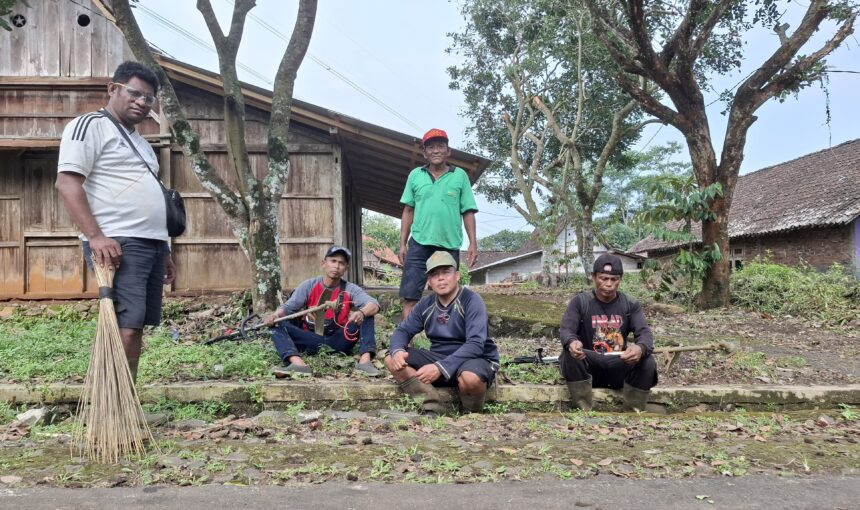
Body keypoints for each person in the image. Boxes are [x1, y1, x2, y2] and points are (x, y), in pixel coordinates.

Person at [56, 61, 175, 383]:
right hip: (117, 242)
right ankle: (112, 402)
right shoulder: (89, 126)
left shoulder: (138, 140)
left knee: (136, 324)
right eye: (135, 93)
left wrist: (164, 250)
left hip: (149, 242)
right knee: (125, 321)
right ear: (113, 88)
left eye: (149, 98)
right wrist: (95, 237)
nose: (141, 102)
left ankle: (125, 398)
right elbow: (67, 183)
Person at [385, 251, 499, 413]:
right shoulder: (426, 304)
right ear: (429, 282)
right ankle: (432, 406)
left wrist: (440, 367)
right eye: (434, 274)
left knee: (470, 378)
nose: (440, 278)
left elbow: (475, 345)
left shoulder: (472, 300)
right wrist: (398, 350)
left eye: (446, 272)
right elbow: (403, 330)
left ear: (457, 275)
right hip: (440, 359)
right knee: (392, 360)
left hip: (474, 359)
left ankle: (472, 413)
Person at [558, 253, 658, 412]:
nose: (609, 284)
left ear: (620, 279)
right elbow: (566, 330)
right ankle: (582, 409)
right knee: (568, 354)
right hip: (588, 366)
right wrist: (572, 342)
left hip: (619, 365)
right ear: (593, 277)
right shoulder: (580, 302)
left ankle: (634, 410)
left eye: (614, 279)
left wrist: (640, 348)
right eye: (603, 278)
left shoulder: (630, 304)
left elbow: (644, 333)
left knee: (648, 361)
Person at [264, 246, 382, 377]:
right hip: (311, 339)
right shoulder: (309, 285)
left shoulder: (350, 289)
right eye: (333, 261)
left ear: (345, 269)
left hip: (340, 341)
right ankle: (298, 364)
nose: (336, 266)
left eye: (341, 263)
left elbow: (374, 304)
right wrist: (274, 315)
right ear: (324, 263)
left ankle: (365, 362)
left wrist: (361, 313)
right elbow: (287, 308)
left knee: (367, 314)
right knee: (276, 323)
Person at [399, 128, 479, 320]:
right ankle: (405, 344)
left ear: (448, 151)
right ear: (425, 153)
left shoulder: (459, 176)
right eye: (431, 147)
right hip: (419, 242)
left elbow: (467, 211)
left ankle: (446, 341)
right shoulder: (415, 175)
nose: (436, 150)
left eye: (440, 146)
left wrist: (473, 243)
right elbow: (408, 210)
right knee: (410, 297)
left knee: (448, 295)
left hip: (448, 244)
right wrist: (402, 243)